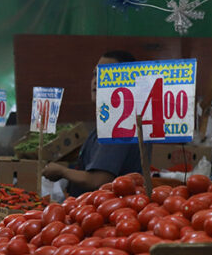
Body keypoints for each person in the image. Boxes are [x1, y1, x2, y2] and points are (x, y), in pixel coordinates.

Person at [42, 51, 143, 196]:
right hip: (91, 210)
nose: (96, 80)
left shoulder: (120, 125)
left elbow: (98, 181)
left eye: (106, 75)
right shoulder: (106, 122)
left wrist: (62, 171)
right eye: (95, 74)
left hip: (111, 212)